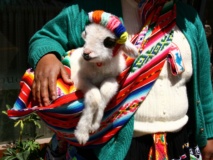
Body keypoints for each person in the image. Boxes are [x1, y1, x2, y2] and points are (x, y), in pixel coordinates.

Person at [28, 0, 213, 159]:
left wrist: (209, 136)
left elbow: (204, 88)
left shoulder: (189, 20)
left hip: (177, 144)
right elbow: (47, 37)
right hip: (118, 147)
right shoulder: (92, 11)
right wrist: (47, 57)